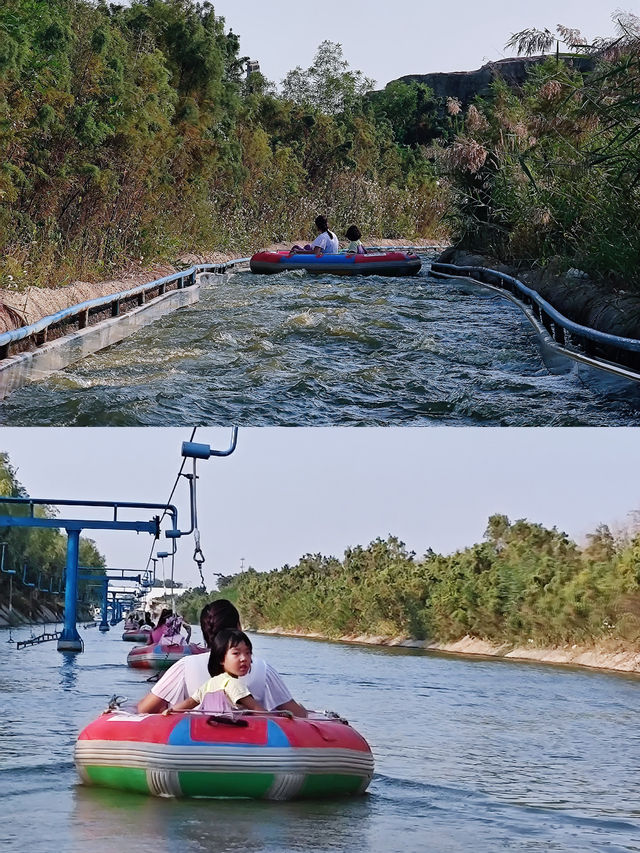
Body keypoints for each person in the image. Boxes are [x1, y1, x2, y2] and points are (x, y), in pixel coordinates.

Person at [136, 599, 307, 717]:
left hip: (192, 749)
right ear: (238, 628)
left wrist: (168, 711)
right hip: (250, 752)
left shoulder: (185, 666)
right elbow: (298, 715)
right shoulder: (262, 668)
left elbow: (144, 709)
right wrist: (300, 710)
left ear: (205, 632)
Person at [163, 629, 267, 715]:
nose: (244, 658)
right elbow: (256, 709)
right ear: (221, 658)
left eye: (248, 653)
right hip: (231, 732)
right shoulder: (234, 684)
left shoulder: (210, 684)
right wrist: (279, 718)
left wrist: (171, 711)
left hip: (210, 730)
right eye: (236, 653)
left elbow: (190, 702)